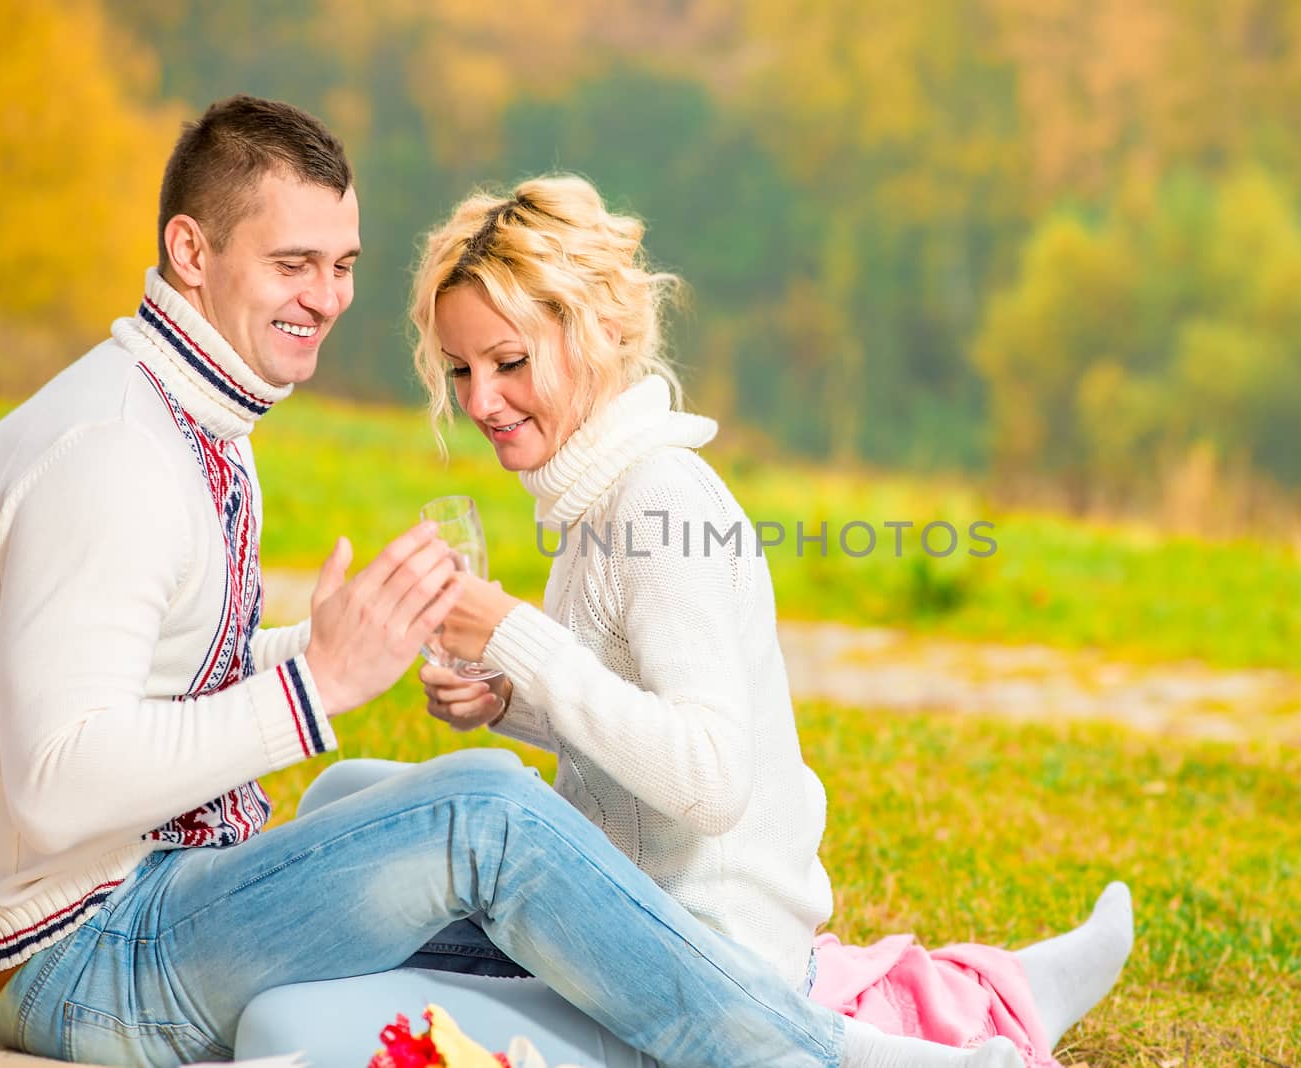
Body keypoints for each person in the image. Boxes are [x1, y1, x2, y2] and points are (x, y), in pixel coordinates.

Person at [0, 95, 1025, 1068]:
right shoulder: (116, 457)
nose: (328, 299)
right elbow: (59, 785)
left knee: (422, 804)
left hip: (118, 915)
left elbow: (705, 772)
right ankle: (835, 1056)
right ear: (190, 252)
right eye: (295, 263)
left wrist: (331, 653)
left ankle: (822, 1041)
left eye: (342, 265)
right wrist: (318, 683)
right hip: (81, 952)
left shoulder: (180, 418)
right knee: (484, 811)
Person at [389, 176, 1135, 1063]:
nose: (479, 401)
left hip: (701, 948)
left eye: (509, 364)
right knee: (364, 805)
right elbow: (629, 731)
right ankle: (978, 1001)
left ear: (600, 334)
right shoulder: (596, 501)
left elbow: (709, 778)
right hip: (622, 913)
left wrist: (519, 637)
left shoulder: (658, 503)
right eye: (460, 369)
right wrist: (508, 697)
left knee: (412, 862)